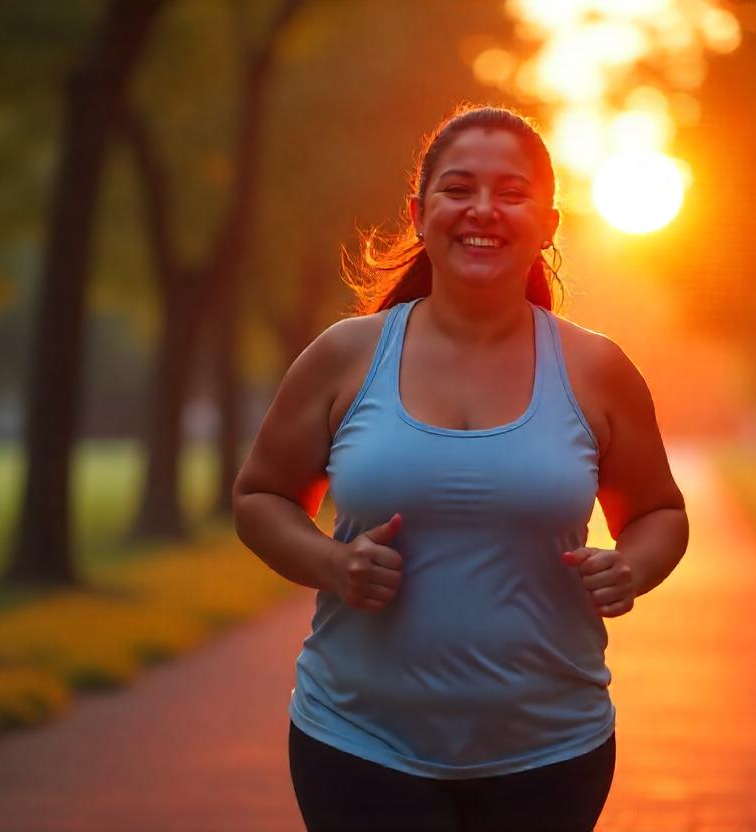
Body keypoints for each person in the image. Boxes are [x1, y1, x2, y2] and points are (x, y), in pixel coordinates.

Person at [233, 104, 689, 832]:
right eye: (459, 188)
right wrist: (331, 563)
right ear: (420, 213)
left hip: (551, 750)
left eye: (512, 193)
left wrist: (632, 566)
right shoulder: (347, 355)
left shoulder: (598, 369)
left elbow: (662, 513)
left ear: (549, 223)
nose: (484, 210)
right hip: (358, 744)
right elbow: (261, 496)